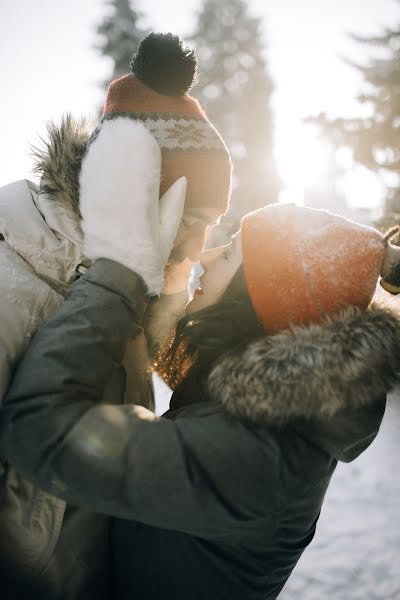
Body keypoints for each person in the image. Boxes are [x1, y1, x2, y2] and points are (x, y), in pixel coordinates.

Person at [1, 136, 400, 599]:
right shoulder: (287, 405)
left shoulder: (256, 462)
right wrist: (171, 290)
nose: (205, 255)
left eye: (229, 252)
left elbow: (41, 434)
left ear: (261, 301)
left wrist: (119, 272)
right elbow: (192, 376)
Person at [0, 34, 231, 598]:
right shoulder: (13, 276)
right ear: (137, 191)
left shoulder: (128, 296)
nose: (198, 243)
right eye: (191, 216)